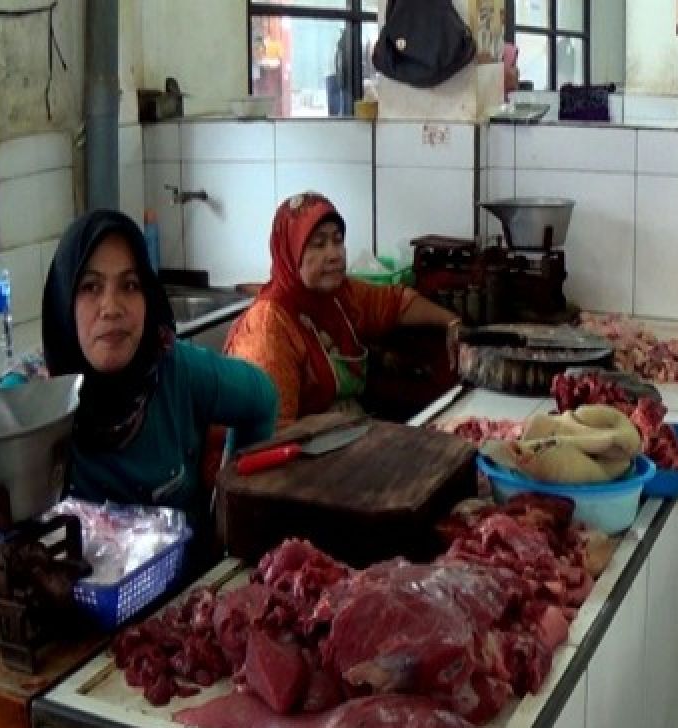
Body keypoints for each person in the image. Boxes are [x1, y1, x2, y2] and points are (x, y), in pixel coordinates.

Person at [41, 210, 278, 530]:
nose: (111, 308)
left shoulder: (174, 370)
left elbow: (261, 399)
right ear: (63, 301)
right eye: (90, 287)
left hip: (191, 579)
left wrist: (232, 515)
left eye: (129, 285)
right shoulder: (38, 403)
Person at [225, 193, 460, 430]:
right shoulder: (268, 326)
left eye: (338, 241)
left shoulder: (338, 296)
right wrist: (331, 426)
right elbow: (271, 432)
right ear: (290, 253)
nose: (334, 254)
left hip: (345, 434)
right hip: (293, 455)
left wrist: (451, 321)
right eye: (319, 244)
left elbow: (396, 302)